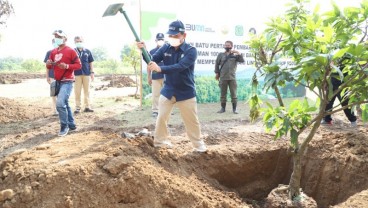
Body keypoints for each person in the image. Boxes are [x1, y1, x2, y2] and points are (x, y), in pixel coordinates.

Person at [136, 20, 207, 152]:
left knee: (191, 121)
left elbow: (180, 67)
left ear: (184, 35)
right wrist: (143, 50)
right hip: (168, 90)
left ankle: (198, 145)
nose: (173, 38)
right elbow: (151, 60)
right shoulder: (165, 47)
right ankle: (160, 141)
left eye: (176, 36)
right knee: (161, 117)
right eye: (171, 35)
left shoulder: (191, 51)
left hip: (185, 91)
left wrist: (160, 69)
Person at [46, 30, 81, 136]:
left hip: (67, 81)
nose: (57, 38)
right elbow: (49, 66)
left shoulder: (71, 51)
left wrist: (66, 66)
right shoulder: (53, 52)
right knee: (65, 103)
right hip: (58, 81)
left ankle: (64, 126)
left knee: (60, 103)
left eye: (59, 36)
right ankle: (71, 124)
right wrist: (48, 64)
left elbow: (78, 65)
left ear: (65, 39)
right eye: (55, 36)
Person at [322, 54, 357, 127]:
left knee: (345, 103)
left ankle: (353, 120)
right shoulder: (331, 57)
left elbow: (352, 72)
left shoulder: (348, 57)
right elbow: (327, 71)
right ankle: (326, 119)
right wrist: (325, 82)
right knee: (328, 102)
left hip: (343, 85)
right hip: (331, 84)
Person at [214, 40, 245, 114]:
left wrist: (237, 52)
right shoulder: (221, 55)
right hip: (223, 77)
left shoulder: (235, 56)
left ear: (231, 46)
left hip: (232, 78)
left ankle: (235, 109)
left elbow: (242, 60)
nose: (227, 46)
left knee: (233, 94)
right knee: (223, 94)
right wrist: (217, 73)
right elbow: (216, 64)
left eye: (228, 45)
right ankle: (222, 108)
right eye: (226, 45)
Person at [73, 36, 95, 114]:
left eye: (80, 41)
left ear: (83, 41)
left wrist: (92, 72)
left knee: (87, 91)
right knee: (77, 91)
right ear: (75, 42)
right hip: (76, 74)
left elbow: (91, 62)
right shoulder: (72, 51)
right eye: (77, 41)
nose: (79, 42)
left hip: (86, 73)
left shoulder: (87, 51)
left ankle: (87, 106)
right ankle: (77, 107)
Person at [148, 33, 165, 117]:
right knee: (155, 94)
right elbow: (149, 65)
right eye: (159, 40)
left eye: (162, 40)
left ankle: (167, 110)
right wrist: (149, 76)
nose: (160, 41)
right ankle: (155, 110)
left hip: (166, 76)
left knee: (167, 94)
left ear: (164, 40)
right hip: (155, 76)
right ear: (156, 41)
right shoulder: (152, 52)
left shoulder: (168, 51)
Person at [44, 39, 58, 116]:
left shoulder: (64, 52)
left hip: (62, 77)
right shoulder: (49, 53)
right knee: (54, 94)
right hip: (52, 76)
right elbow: (47, 66)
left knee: (61, 94)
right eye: (54, 42)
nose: (56, 43)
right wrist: (47, 76)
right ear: (52, 43)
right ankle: (55, 110)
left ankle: (62, 109)